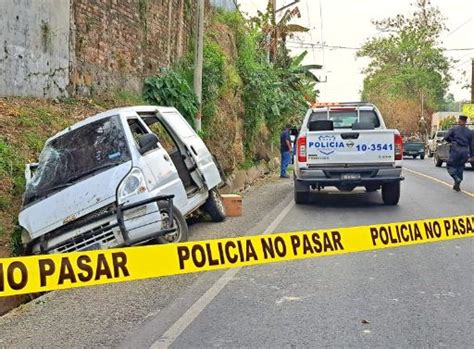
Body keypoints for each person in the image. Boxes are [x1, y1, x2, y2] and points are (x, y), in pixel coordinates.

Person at [443, 115, 473, 191]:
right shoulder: (470, 132)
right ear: (465, 122)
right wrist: (472, 155)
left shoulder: (454, 129)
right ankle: (457, 186)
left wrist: (452, 141)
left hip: (456, 149)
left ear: (459, 121)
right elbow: (472, 145)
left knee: (450, 165)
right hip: (465, 151)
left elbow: (446, 137)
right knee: (460, 167)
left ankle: (456, 178)